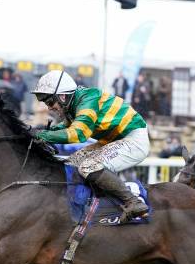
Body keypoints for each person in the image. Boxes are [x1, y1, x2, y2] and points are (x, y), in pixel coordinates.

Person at [30, 70, 150, 222]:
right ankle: (89, 203)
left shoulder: (87, 99)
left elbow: (78, 134)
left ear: (62, 96)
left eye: (50, 102)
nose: (49, 108)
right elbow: (65, 126)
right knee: (71, 163)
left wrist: (42, 135)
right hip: (113, 140)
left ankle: (133, 202)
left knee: (88, 167)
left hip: (133, 139)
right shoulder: (73, 102)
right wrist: (38, 131)